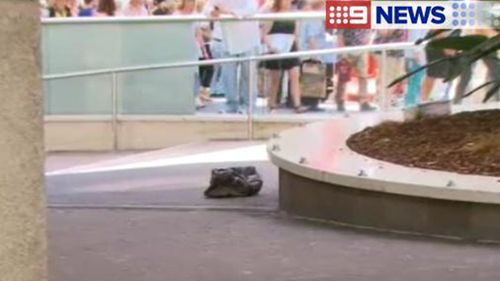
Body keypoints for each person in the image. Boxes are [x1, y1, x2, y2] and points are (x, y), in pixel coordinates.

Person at [204, 0, 261, 114]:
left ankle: (247, 105)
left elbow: (249, 10)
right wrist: (213, 12)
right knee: (228, 75)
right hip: (227, 39)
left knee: (247, 74)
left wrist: (227, 11)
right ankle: (231, 104)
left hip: (248, 39)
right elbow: (207, 9)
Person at [262, 0, 308, 113]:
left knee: (295, 75)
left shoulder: (293, 13)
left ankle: (297, 104)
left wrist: (298, 48)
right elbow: (264, 33)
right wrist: (270, 47)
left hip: (290, 46)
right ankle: (271, 102)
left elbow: (296, 33)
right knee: (275, 78)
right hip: (275, 47)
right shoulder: (273, 14)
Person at [300, 0, 336, 106]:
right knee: (312, 79)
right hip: (312, 54)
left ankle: (314, 100)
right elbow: (312, 38)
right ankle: (311, 101)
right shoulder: (313, 17)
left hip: (318, 51)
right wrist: (315, 55)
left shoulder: (312, 16)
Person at [454, 27, 500, 104]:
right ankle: (456, 101)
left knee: (496, 74)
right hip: (470, 43)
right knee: (465, 77)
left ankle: (496, 101)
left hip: (487, 44)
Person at [336, 29, 376, 111]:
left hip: (362, 49)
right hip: (347, 48)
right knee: (343, 77)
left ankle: (363, 102)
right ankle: (340, 100)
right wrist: (342, 50)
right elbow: (339, 33)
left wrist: (368, 43)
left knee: (363, 76)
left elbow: (372, 31)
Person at [373, 29, 407, 107]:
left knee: (397, 76)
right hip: (386, 51)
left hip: (398, 51)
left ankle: (385, 100)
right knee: (387, 77)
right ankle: (383, 102)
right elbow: (384, 32)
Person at [404, 29, 427, 107]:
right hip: (414, 57)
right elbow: (415, 38)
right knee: (414, 81)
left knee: (418, 81)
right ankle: (410, 103)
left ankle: (416, 102)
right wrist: (417, 53)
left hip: (419, 56)